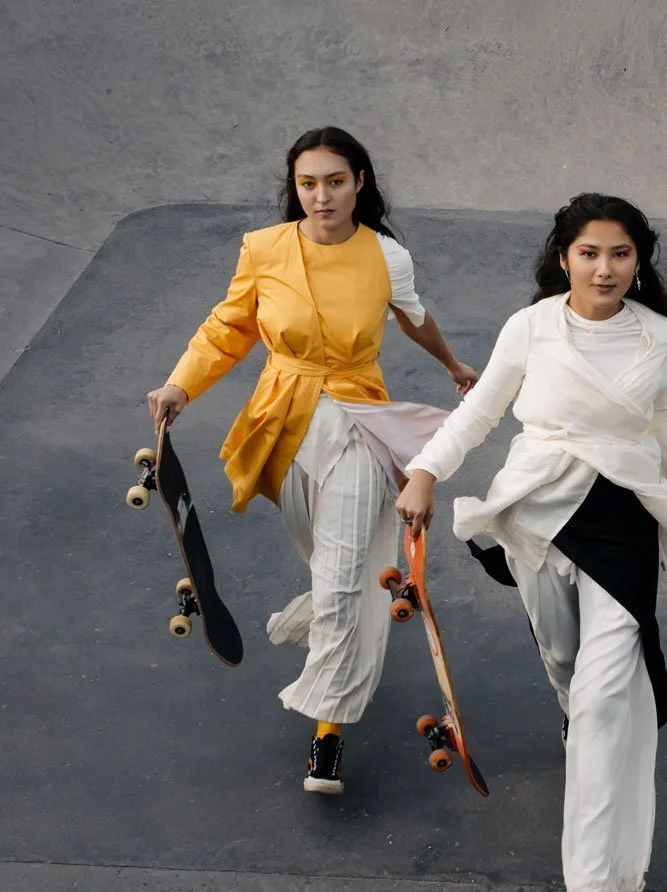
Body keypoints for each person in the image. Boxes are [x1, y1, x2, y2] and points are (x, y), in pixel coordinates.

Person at [395, 193, 667, 892]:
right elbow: (480, 411)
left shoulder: (657, 336)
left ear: (640, 260)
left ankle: (592, 880)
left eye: (621, 254)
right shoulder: (531, 326)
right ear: (564, 258)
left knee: (605, 693)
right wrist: (425, 471)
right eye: (590, 253)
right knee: (567, 666)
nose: (605, 269)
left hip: (624, 520)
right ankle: (576, 718)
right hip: (538, 512)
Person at [145, 126, 477, 795]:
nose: (321, 195)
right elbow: (228, 327)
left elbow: (411, 316)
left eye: (335, 182)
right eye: (308, 183)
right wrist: (182, 384)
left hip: (357, 420)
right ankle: (319, 616)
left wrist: (451, 363)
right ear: (294, 187)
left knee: (347, 572)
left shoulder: (385, 255)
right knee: (336, 573)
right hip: (282, 425)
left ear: (359, 183)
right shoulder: (264, 249)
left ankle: (328, 734)